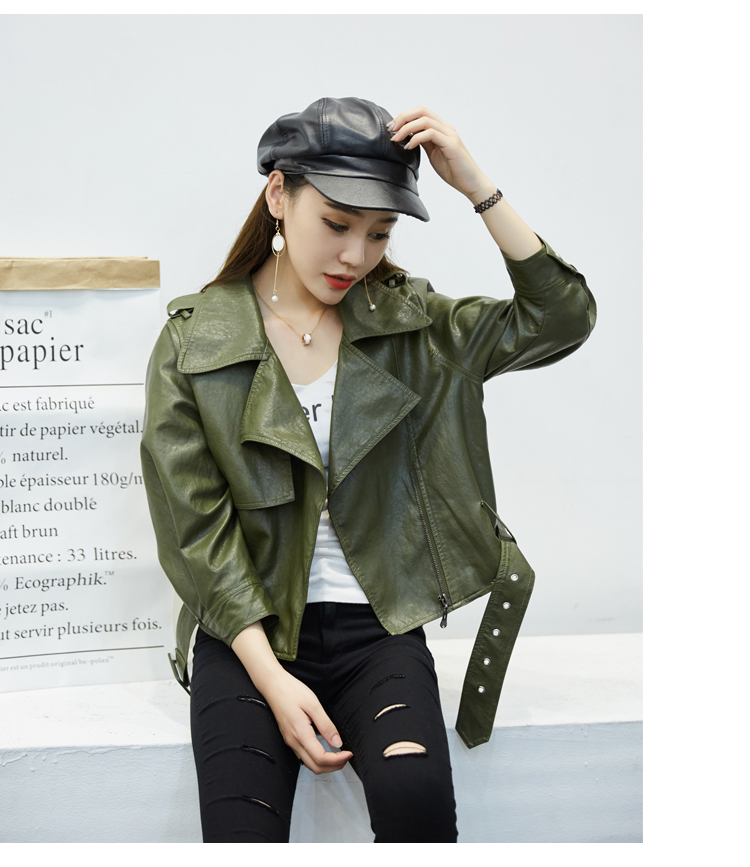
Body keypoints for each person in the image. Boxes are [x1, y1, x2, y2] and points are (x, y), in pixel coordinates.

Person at [140, 97, 596, 843]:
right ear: (279, 196)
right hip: (247, 631)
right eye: (337, 224)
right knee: (241, 832)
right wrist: (273, 681)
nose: (356, 255)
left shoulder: (415, 326)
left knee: (417, 801)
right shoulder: (195, 343)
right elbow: (196, 535)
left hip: (379, 626)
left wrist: (475, 186)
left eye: (379, 232)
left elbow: (561, 320)